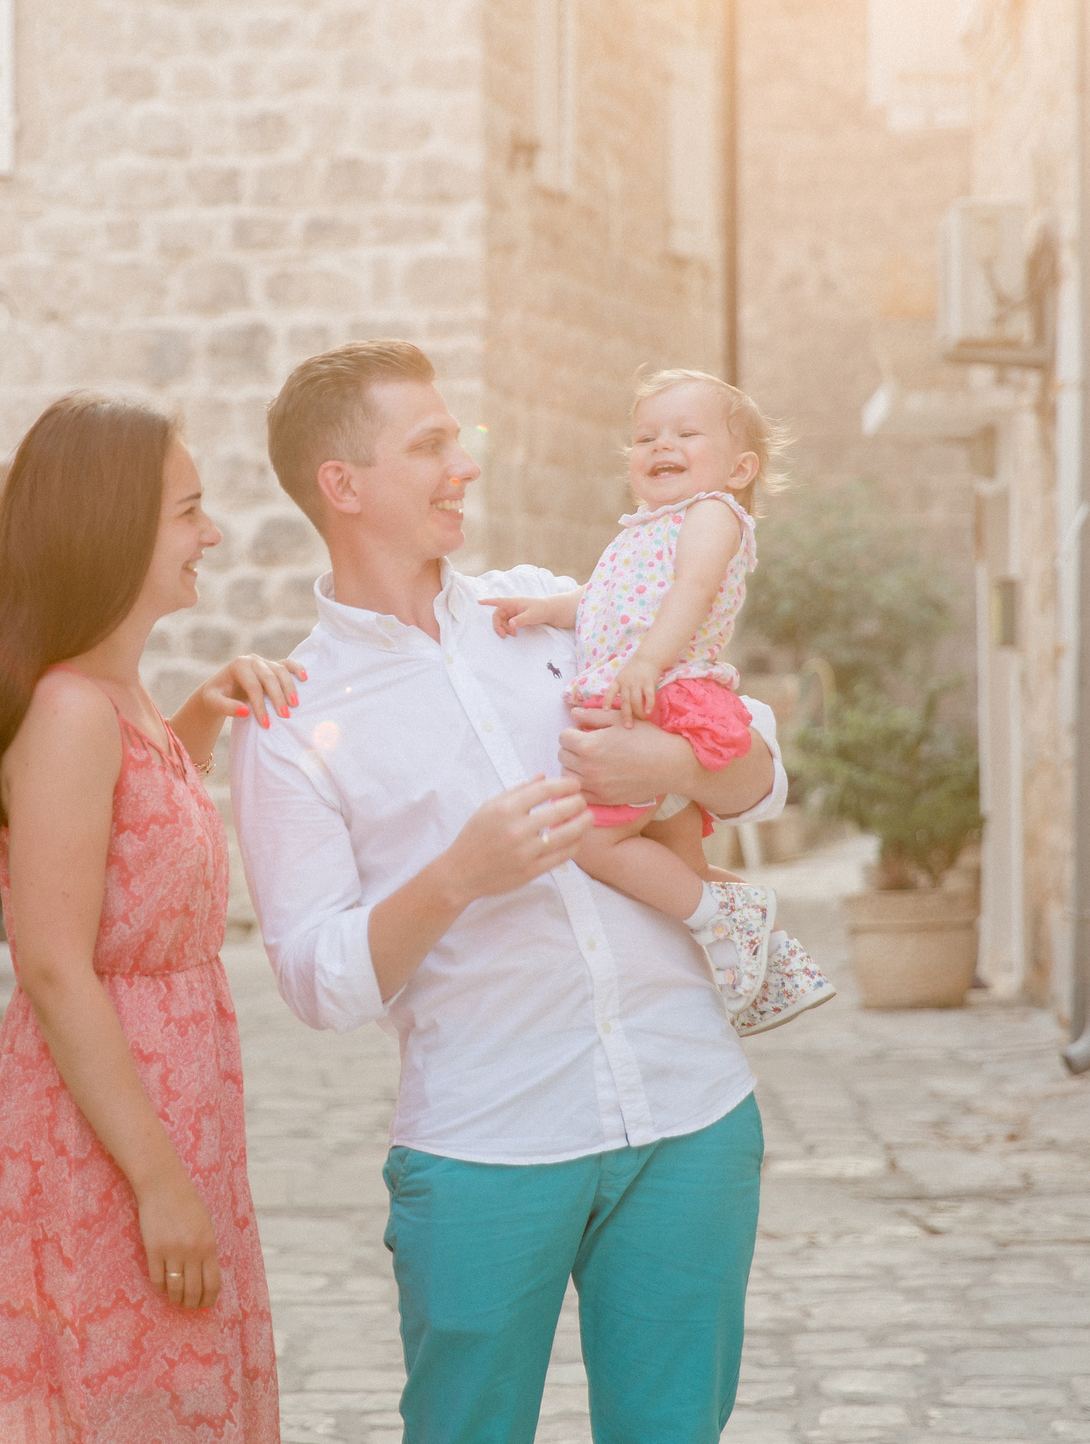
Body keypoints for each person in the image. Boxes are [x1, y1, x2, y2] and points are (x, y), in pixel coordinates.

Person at [230, 341, 793, 1444]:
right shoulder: (292, 719)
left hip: (691, 1113)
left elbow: (761, 766)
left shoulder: (547, 606)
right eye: (430, 445)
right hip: (486, 1147)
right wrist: (455, 879)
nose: (464, 467)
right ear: (342, 486)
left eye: (458, 440)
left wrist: (675, 770)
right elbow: (315, 981)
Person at [0, 392, 301, 1444]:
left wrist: (195, 720)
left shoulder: (117, 695)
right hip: (106, 1136)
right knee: (125, 1402)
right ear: (112, 526)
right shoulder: (70, 711)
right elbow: (51, 964)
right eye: (190, 511)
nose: (212, 535)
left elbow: (121, 838)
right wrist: (159, 1182)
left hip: (170, 1110)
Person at [479, 368, 833, 1034]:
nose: (660, 444)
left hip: (666, 698)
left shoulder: (712, 515)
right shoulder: (641, 531)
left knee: (595, 842)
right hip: (647, 694)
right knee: (682, 864)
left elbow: (694, 590)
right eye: (645, 436)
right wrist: (545, 608)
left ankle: (719, 917)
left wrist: (646, 660)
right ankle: (773, 971)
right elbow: (602, 600)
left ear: (740, 467)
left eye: (685, 432)